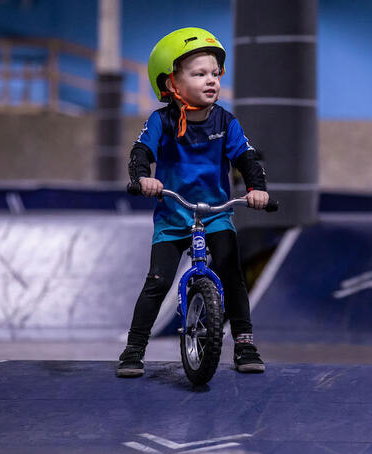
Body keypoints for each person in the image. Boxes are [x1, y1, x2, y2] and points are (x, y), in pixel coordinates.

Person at [117, 27, 268, 378]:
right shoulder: (162, 121)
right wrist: (143, 178)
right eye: (199, 74)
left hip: (214, 214)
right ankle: (134, 348)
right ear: (172, 83)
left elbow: (246, 158)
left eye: (215, 73)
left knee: (232, 273)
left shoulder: (226, 122)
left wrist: (256, 188)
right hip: (173, 214)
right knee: (158, 280)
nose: (211, 80)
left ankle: (244, 343)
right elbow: (141, 151)